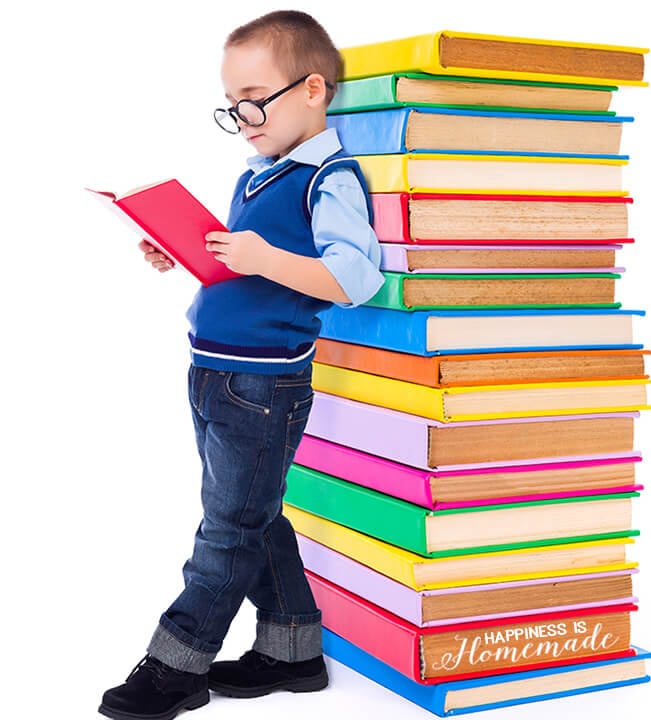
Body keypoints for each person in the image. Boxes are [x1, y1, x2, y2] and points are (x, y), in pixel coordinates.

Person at [98, 10, 383, 720]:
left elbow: (356, 277)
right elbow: (247, 272)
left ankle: (177, 663)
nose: (243, 116)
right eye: (233, 106)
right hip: (213, 371)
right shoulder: (259, 173)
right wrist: (191, 254)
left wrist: (263, 259)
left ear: (313, 89)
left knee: (227, 530)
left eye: (255, 99)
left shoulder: (331, 176)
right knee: (252, 517)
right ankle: (293, 649)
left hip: (264, 382)